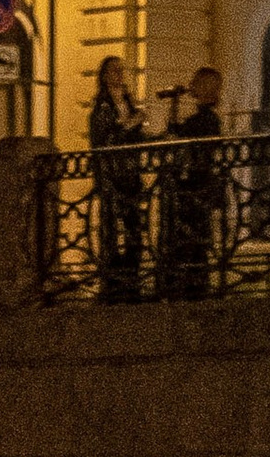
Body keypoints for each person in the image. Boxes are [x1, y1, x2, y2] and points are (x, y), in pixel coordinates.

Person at [158, 64, 224, 296]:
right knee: (193, 242)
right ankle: (192, 284)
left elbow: (176, 134)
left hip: (195, 189)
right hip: (196, 188)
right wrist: (174, 104)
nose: (191, 85)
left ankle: (191, 286)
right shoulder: (205, 119)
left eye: (195, 82)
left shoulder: (205, 120)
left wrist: (175, 105)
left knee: (192, 242)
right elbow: (176, 132)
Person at [88, 56, 146, 300]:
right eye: (114, 71)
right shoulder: (102, 106)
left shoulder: (128, 102)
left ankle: (131, 276)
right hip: (112, 174)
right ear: (104, 76)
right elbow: (106, 139)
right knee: (111, 226)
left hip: (130, 172)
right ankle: (112, 278)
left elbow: (134, 135)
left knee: (134, 225)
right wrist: (128, 126)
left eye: (122, 70)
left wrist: (138, 126)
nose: (119, 75)